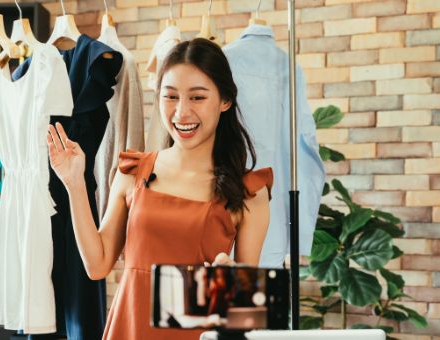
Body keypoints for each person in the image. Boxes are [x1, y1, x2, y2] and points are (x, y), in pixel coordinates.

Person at [46, 38, 274, 340]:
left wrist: (231, 280)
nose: (181, 113)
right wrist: (75, 183)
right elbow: (97, 265)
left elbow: (245, 319)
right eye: (170, 97)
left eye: (197, 98)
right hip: (129, 329)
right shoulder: (133, 170)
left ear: (225, 101)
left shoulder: (249, 193)